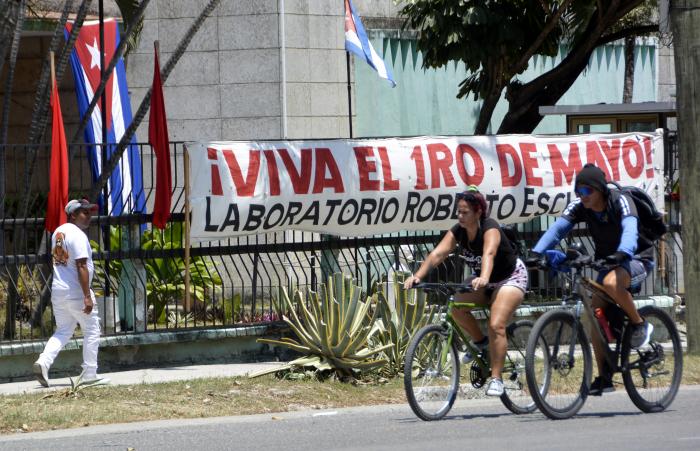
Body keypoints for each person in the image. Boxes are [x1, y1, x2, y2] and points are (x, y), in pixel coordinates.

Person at [528, 163, 654, 395]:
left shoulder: (620, 200)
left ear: (600, 189)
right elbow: (557, 229)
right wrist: (537, 253)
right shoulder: (580, 206)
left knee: (610, 284)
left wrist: (623, 252)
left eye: (587, 191)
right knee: (594, 315)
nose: (582, 196)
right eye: (578, 191)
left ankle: (639, 324)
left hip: (635, 257)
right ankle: (604, 375)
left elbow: (630, 228)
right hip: (608, 263)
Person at [404, 186, 528, 397]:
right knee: (456, 306)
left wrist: (485, 278)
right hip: (483, 280)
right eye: (458, 212)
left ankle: (497, 379)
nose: (460, 216)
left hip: (509, 277)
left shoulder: (490, 228)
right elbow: (437, 254)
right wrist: (418, 276)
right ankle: (482, 344)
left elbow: (488, 253)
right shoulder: (459, 231)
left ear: (478, 212)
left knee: (496, 323)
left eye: (465, 212)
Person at [33, 199, 109, 387]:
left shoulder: (59, 233)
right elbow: (81, 265)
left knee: (64, 330)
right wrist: (86, 295)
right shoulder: (77, 235)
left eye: (90, 212)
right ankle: (90, 373)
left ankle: (43, 362)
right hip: (76, 291)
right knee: (92, 329)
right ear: (73, 215)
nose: (89, 216)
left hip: (59, 290)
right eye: (84, 212)